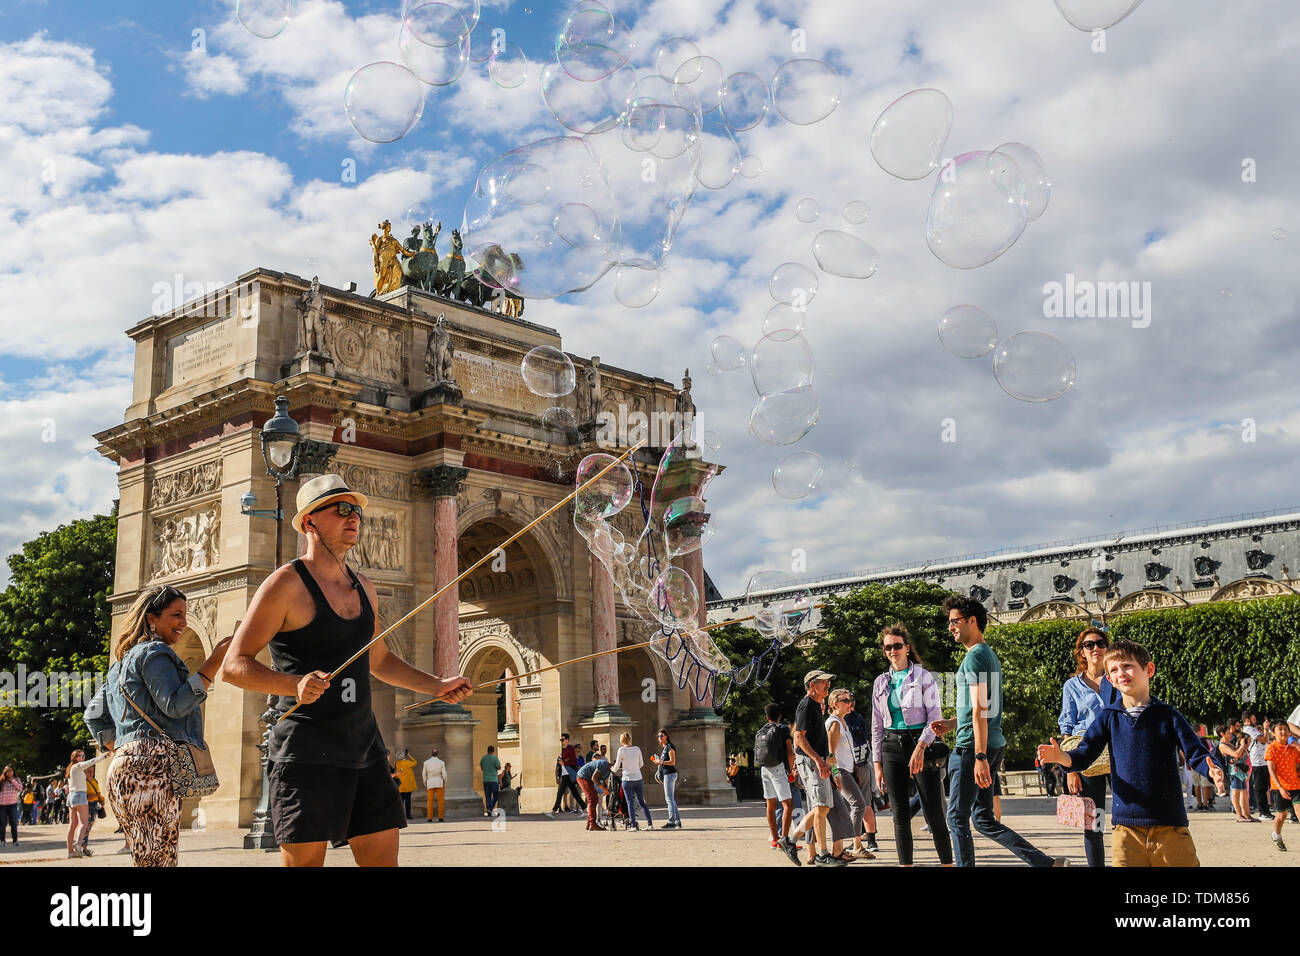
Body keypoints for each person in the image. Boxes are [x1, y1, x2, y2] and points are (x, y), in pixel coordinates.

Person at [220, 474, 472, 867]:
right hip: (305, 751)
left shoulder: (365, 587)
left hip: (364, 748)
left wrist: (436, 685)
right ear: (309, 521)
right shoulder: (285, 583)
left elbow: (379, 659)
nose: (353, 516)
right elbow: (234, 666)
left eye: (356, 510)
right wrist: (294, 684)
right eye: (340, 509)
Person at [1038, 639, 1224, 867]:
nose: (1121, 673)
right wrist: (1061, 758)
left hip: (1169, 824)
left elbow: (1195, 752)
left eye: (1127, 666)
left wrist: (1212, 769)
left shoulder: (1168, 715)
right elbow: (1084, 755)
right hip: (1126, 827)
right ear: (1110, 680)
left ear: (1149, 669)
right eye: (1114, 670)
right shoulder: (1108, 717)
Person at [82, 584, 231, 866]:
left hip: (123, 771)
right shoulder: (154, 653)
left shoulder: (119, 665)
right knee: (160, 860)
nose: (183, 623)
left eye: (185, 615)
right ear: (152, 618)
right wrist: (213, 663)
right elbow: (174, 704)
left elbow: (93, 716)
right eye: (176, 615)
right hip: (152, 769)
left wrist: (127, 748)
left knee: (149, 858)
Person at [931, 596, 1065, 868]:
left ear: (972, 621)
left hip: (973, 749)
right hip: (991, 743)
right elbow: (981, 709)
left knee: (956, 817)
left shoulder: (974, 658)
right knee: (983, 819)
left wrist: (979, 756)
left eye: (955, 621)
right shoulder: (987, 654)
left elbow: (981, 709)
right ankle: (1043, 863)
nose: (950, 627)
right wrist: (952, 723)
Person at [871, 623, 952, 866]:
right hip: (890, 746)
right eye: (887, 647)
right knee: (900, 816)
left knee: (934, 813)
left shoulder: (924, 677)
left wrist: (921, 746)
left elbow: (934, 717)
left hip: (921, 744)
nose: (892, 651)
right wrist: (877, 763)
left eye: (897, 646)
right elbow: (876, 725)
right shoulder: (880, 681)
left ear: (907, 648)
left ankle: (948, 863)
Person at [1058, 625, 1120, 866]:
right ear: (1081, 652)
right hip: (1086, 754)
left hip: (1117, 751)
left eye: (1101, 643)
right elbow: (1067, 727)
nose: (1096, 648)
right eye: (1089, 644)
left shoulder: (1117, 678)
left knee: (1128, 816)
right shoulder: (1071, 686)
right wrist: (1071, 769)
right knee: (1094, 824)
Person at [778, 670, 845, 867]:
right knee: (821, 807)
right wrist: (818, 761)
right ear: (812, 686)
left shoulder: (816, 705)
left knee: (821, 806)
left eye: (828, 682)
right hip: (810, 762)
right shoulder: (806, 705)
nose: (828, 686)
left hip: (817, 761)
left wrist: (830, 768)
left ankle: (790, 841)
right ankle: (823, 855)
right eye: (824, 682)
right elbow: (798, 737)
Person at [826, 688, 873, 860]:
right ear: (834, 703)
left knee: (846, 808)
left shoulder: (842, 722)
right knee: (859, 805)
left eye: (850, 700)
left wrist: (855, 770)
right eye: (845, 701)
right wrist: (836, 774)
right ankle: (855, 845)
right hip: (841, 771)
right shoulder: (834, 723)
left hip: (848, 770)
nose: (849, 704)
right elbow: (830, 754)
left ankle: (846, 847)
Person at [755, 702, 797, 848]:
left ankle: (775, 839)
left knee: (770, 805)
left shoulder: (761, 730)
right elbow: (790, 751)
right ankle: (784, 840)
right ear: (780, 715)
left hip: (764, 768)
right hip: (778, 768)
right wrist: (791, 770)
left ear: (767, 717)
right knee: (788, 805)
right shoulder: (783, 729)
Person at [842, 693, 879, 852]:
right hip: (862, 764)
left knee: (855, 806)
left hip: (851, 767)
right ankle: (871, 841)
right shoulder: (859, 719)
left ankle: (856, 840)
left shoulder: (842, 721)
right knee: (865, 804)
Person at [1266, 718, 1300, 851]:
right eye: (1280, 729)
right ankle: (1276, 834)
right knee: (1282, 815)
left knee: (1298, 810)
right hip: (1278, 787)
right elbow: (1271, 770)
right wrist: (1280, 788)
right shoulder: (1271, 748)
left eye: (1285, 729)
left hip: (1296, 785)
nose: (1283, 732)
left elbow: (1298, 767)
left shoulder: (1294, 749)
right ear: (1273, 733)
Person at [611, 732, 652, 830]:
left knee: (630, 802)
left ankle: (633, 825)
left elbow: (616, 766)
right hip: (638, 778)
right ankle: (650, 824)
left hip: (627, 779)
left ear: (621, 741)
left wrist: (612, 769)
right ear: (630, 739)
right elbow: (641, 764)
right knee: (642, 802)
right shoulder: (637, 749)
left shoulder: (621, 750)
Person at [1219, 721, 1255, 822]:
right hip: (1233, 772)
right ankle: (1239, 816)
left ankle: (1247, 815)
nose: (1230, 734)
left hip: (1240, 772)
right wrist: (1242, 746)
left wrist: (1245, 746)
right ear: (1222, 734)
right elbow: (1236, 755)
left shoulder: (1229, 743)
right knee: (1236, 793)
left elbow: (1241, 755)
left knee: (1244, 793)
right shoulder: (1222, 745)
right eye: (1228, 733)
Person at [1242, 710, 1272, 820]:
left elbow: (1266, 739)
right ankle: (1263, 812)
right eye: (1253, 719)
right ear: (1247, 720)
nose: (1255, 721)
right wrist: (1265, 728)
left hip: (1262, 761)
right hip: (1257, 762)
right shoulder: (1249, 729)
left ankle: (1266, 811)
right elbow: (1263, 740)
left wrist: (1266, 730)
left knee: (1264, 787)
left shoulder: (1254, 729)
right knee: (1260, 788)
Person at [650, 729, 681, 828]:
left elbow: (672, 762)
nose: (660, 738)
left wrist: (660, 762)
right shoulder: (664, 748)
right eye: (658, 736)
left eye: (661, 735)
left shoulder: (670, 747)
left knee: (669, 799)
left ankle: (672, 821)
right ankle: (677, 821)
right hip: (667, 774)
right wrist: (658, 761)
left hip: (670, 774)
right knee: (670, 799)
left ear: (666, 736)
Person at [550, 734, 586, 814]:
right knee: (574, 793)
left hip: (568, 773)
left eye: (563, 740)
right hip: (564, 773)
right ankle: (584, 808)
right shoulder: (563, 749)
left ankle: (553, 811)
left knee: (560, 793)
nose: (562, 741)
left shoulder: (570, 748)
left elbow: (573, 761)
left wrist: (564, 762)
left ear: (567, 740)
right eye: (561, 740)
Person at [576, 753, 613, 830]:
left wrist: (609, 791)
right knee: (592, 799)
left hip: (587, 778)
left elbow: (606, 781)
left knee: (594, 799)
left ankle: (590, 822)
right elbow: (594, 778)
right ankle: (593, 824)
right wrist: (604, 789)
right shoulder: (603, 765)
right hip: (582, 777)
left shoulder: (609, 770)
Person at [81, 766, 105, 854]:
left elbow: (98, 793)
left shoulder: (95, 781)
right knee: (85, 827)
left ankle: (84, 847)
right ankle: (82, 847)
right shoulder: (82, 782)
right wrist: (92, 796)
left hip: (94, 805)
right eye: (88, 771)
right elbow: (84, 796)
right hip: (86, 806)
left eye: (92, 771)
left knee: (89, 827)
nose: (91, 773)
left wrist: (101, 799)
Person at [0, 766, 22, 846]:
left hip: (12, 804)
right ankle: (2, 840)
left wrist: (13, 781)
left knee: (13, 823)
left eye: (11, 770)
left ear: (13, 771)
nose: (9, 772)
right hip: (2, 805)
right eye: (7, 771)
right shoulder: (1, 780)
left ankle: (15, 840)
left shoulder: (17, 779)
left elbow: (20, 789)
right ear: (5, 772)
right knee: (2, 823)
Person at [422, 748, 446, 823]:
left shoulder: (426, 762)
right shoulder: (441, 762)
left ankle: (429, 818)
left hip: (430, 781)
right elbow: (444, 773)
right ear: (437, 754)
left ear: (431, 753)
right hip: (439, 781)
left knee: (430, 801)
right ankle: (441, 817)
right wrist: (445, 781)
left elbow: (424, 773)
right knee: (440, 801)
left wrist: (425, 781)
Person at [394, 749, 418, 819]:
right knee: (408, 801)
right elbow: (415, 762)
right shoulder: (407, 763)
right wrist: (409, 755)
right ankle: (408, 815)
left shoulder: (397, 763)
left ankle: (400, 815)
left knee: (401, 802)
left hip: (400, 786)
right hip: (408, 786)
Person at [480, 745, 502, 816]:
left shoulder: (483, 759)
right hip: (493, 780)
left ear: (487, 750)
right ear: (493, 751)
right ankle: (490, 808)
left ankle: (488, 809)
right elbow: (499, 767)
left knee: (487, 796)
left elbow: (482, 767)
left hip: (485, 780)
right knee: (496, 795)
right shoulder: (495, 758)